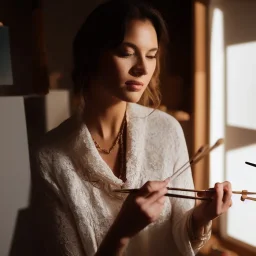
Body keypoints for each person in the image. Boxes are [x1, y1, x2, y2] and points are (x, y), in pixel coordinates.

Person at [31, 1, 232, 255]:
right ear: (92, 54)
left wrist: (202, 216)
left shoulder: (167, 130)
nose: (143, 68)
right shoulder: (51, 156)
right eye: (127, 53)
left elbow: (183, 238)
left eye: (151, 55)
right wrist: (121, 232)